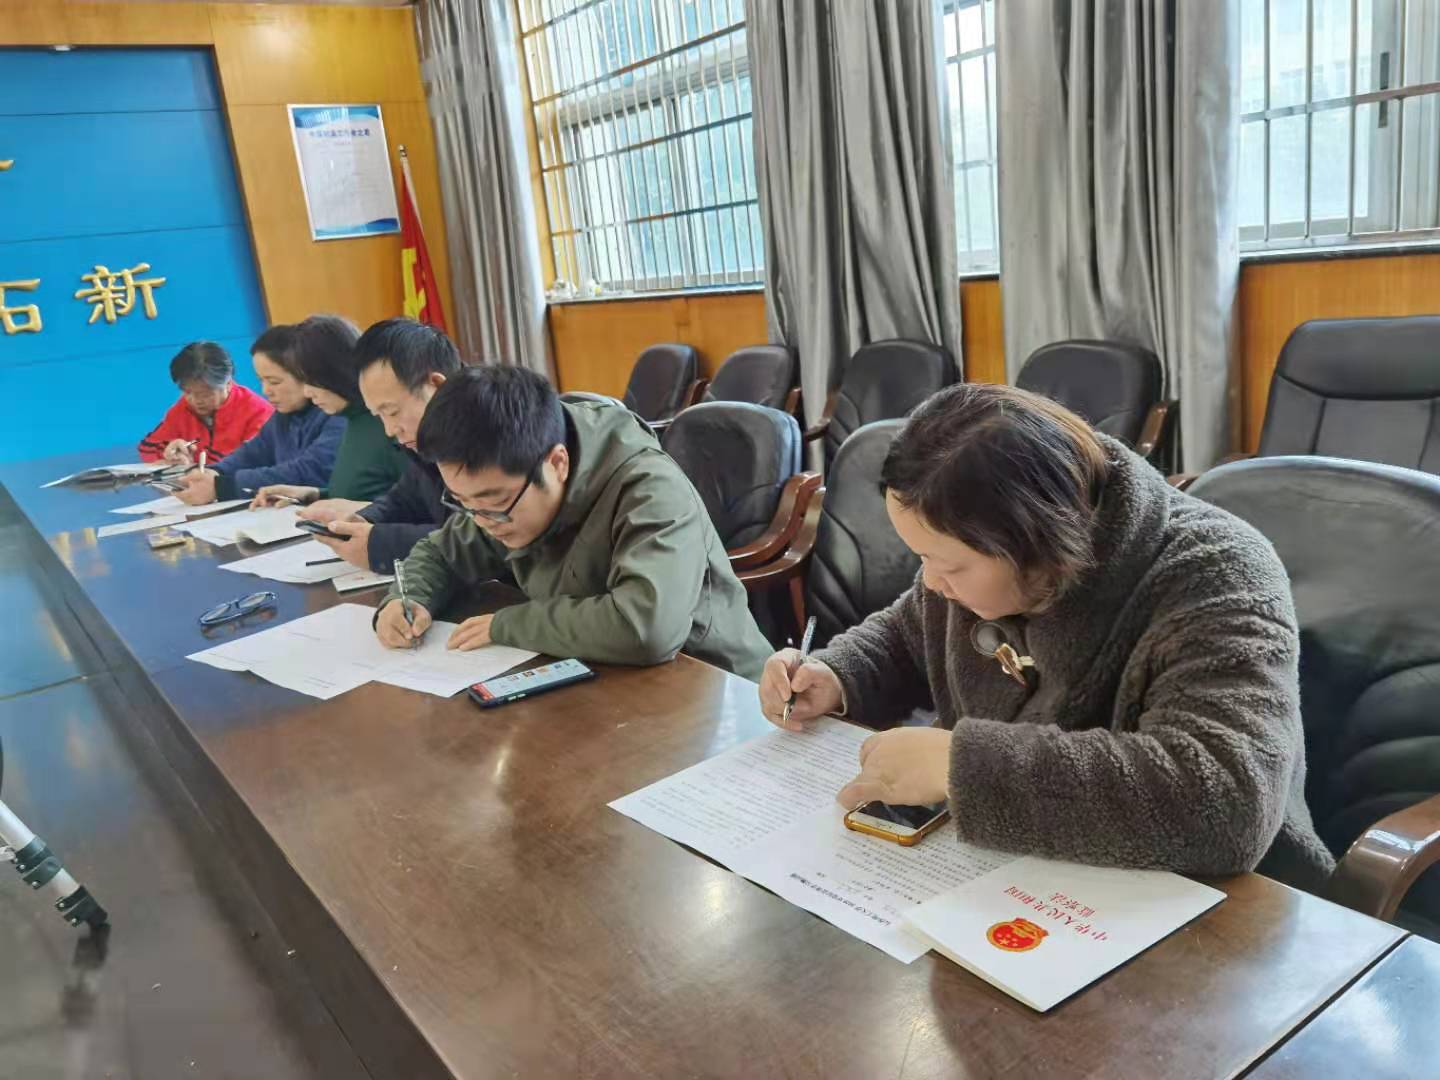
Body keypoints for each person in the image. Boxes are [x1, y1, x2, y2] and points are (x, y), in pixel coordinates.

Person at [757, 383, 1334, 892]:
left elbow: (1226, 800)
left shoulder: (1218, 571)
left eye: (949, 566)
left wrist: (965, 768)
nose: (931, 582)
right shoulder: (972, 553)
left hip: (1211, 906)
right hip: (1027, 877)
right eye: (923, 558)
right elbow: (910, 632)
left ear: (1041, 544)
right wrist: (836, 674)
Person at [371, 365, 772, 680]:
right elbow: (441, 552)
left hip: (719, 689)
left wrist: (507, 625)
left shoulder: (650, 490)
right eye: (462, 502)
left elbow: (647, 627)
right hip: (608, 682)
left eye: (494, 503)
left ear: (557, 463)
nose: (481, 520)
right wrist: (407, 598)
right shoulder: (503, 491)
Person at [298, 318, 461, 573]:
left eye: (392, 412)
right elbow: (406, 497)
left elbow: (478, 538)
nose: (389, 430)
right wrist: (365, 519)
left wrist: (379, 544)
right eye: (379, 415)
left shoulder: (488, 437)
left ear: (436, 386)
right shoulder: (427, 440)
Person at [176, 325, 345, 505]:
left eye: (274, 382)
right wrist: (215, 472)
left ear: (307, 375)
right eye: (261, 380)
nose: (266, 391)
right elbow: (253, 452)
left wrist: (222, 486)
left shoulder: (336, 413)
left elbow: (310, 472)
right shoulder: (285, 414)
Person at [250, 315, 408, 507]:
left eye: (311, 381)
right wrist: (315, 495)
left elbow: (425, 512)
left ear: (334, 371)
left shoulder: (390, 423)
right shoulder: (352, 418)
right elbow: (363, 493)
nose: (307, 392)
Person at [137, 341, 272, 465]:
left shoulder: (258, 413)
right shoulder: (184, 408)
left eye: (205, 394)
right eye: (187, 392)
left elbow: (256, 466)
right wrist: (168, 453)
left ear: (228, 383)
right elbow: (147, 448)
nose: (196, 400)